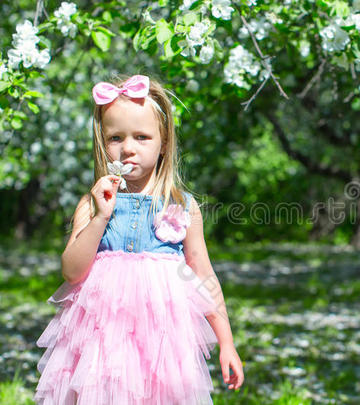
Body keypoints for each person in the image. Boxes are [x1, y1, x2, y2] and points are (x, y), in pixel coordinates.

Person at [34, 74, 244, 404]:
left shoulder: (182, 207)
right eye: (116, 137)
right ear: (103, 142)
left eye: (142, 137)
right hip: (103, 339)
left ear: (164, 145)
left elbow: (204, 276)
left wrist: (226, 341)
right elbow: (72, 272)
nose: (128, 148)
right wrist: (101, 216)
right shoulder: (93, 203)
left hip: (162, 341)